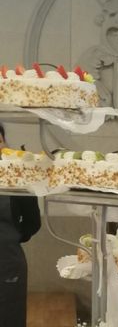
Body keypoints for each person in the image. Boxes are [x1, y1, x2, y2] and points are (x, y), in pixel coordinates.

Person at [0, 123, 41, 327]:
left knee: (9, 318)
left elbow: (33, 222)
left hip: (8, 264)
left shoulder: (19, 176)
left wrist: (14, 236)